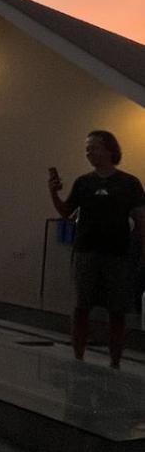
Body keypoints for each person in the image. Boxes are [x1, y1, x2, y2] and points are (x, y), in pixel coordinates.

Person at [48, 131, 145, 368]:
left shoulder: (129, 183)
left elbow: (141, 220)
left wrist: (140, 252)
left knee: (117, 310)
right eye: (87, 149)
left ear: (109, 149)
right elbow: (66, 212)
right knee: (82, 306)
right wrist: (53, 193)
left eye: (93, 147)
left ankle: (115, 361)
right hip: (86, 250)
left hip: (117, 253)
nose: (88, 152)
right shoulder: (83, 183)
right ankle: (78, 356)